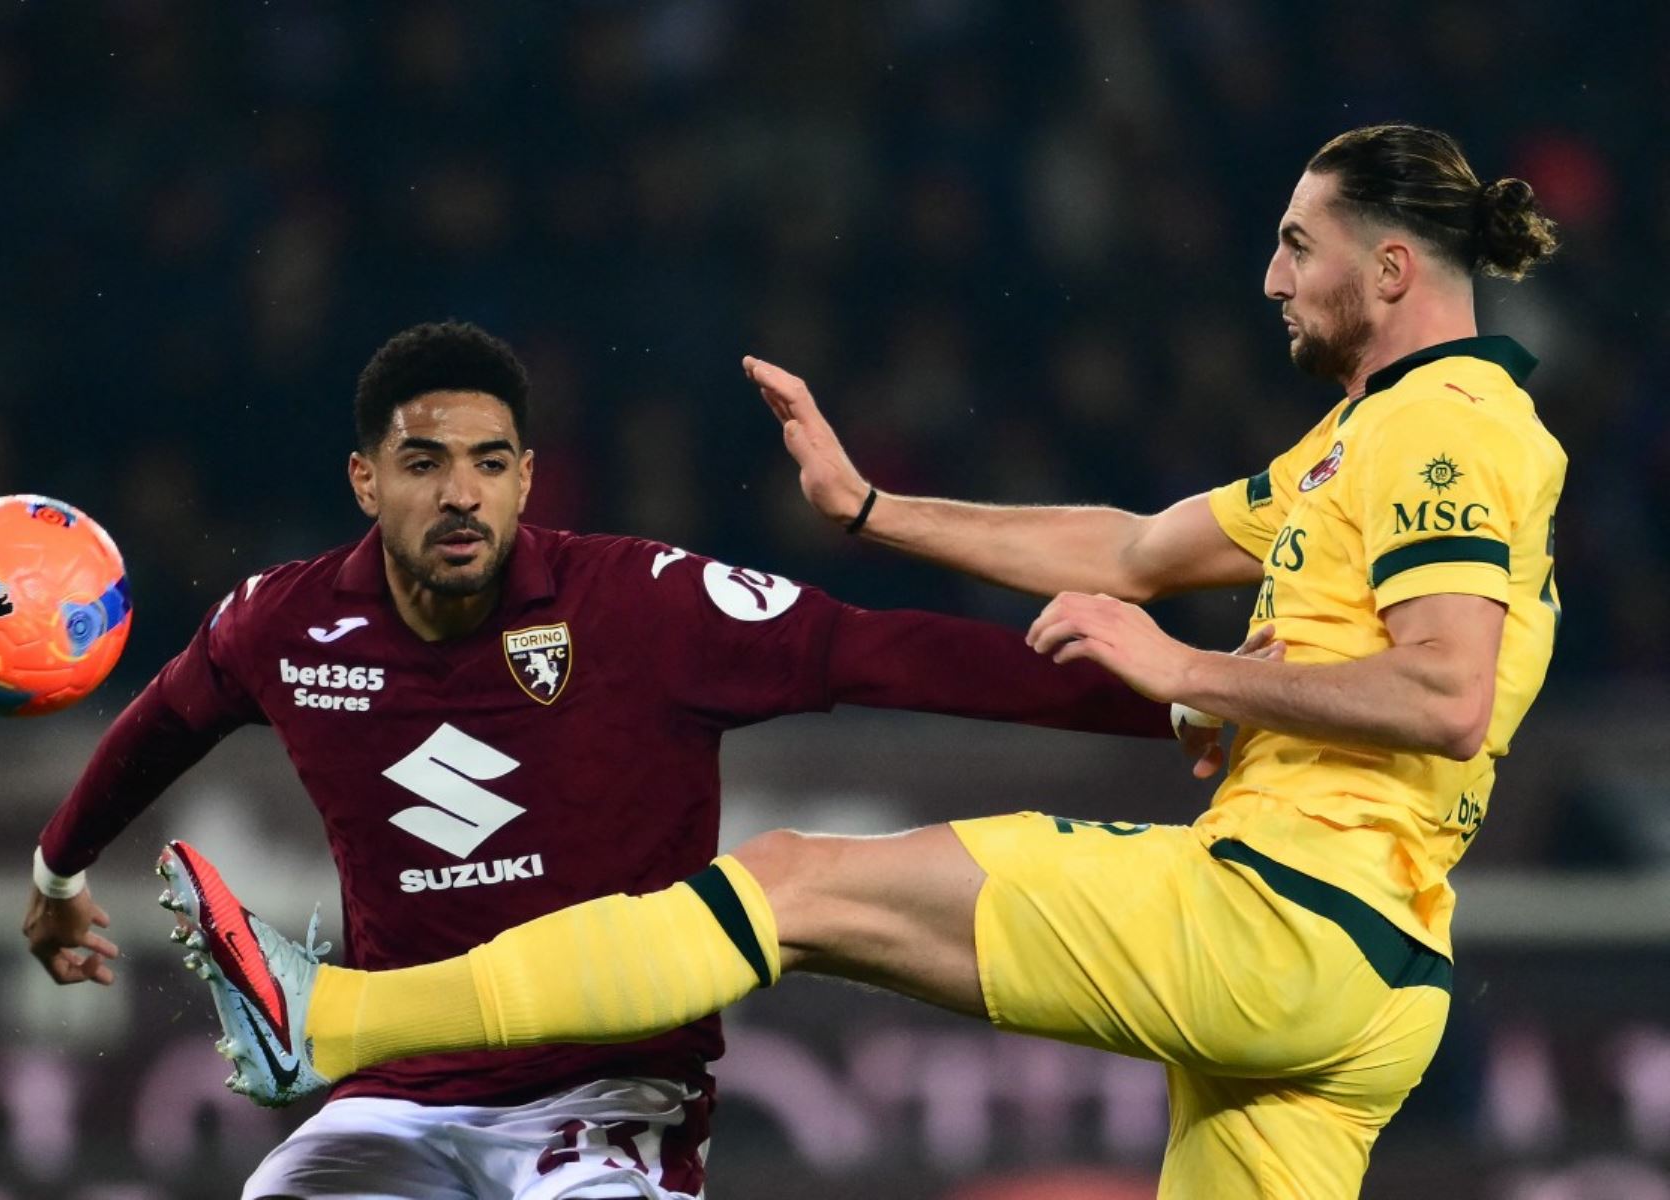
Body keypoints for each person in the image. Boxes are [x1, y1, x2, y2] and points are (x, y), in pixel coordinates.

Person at [164, 124, 1567, 1198]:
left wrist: (1181, 673)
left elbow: (1442, 696)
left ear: (1390, 269)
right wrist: (874, 511)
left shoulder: (1442, 428)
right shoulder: (1360, 440)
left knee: (795, 882)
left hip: (1286, 914)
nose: (1270, 277)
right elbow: (1133, 551)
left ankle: (335, 1018)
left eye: (1298, 245)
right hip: (1375, 981)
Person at [22, 320, 1217, 1199]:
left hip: (608, 1101)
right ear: (365, 479)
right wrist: (58, 877)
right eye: (426, 461)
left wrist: (1175, 702)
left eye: (492, 463)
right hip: (395, 1093)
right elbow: (164, 719)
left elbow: (892, 657)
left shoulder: (644, 604)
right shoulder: (284, 624)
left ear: (529, 477)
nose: (461, 495)